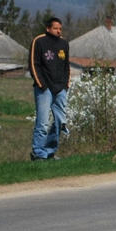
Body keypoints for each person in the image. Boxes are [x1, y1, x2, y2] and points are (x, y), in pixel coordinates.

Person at [29, 16, 71, 160]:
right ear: (48, 29)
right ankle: (38, 152)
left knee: (60, 121)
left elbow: (66, 66)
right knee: (43, 122)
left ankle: (50, 151)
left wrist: (65, 86)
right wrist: (42, 85)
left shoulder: (64, 44)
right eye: (55, 28)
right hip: (44, 89)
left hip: (60, 89)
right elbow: (34, 64)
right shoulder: (39, 41)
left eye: (60, 28)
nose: (58, 31)